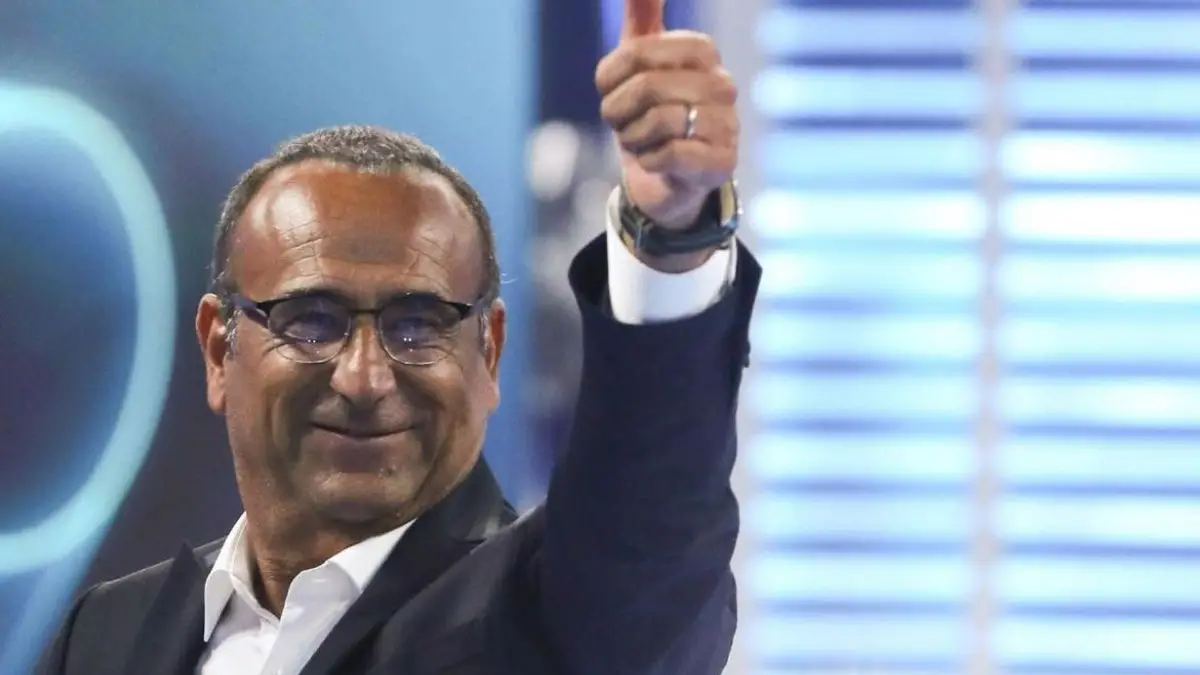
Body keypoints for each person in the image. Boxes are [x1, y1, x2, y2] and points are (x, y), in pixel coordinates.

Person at [37, 1, 759, 673]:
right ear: (220, 350)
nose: (364, 377)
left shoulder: (556, 612)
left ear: (489, 353)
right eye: (310, 320)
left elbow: (647, 539)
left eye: (418, 324)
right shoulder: (106, 632)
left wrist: (670, 235)